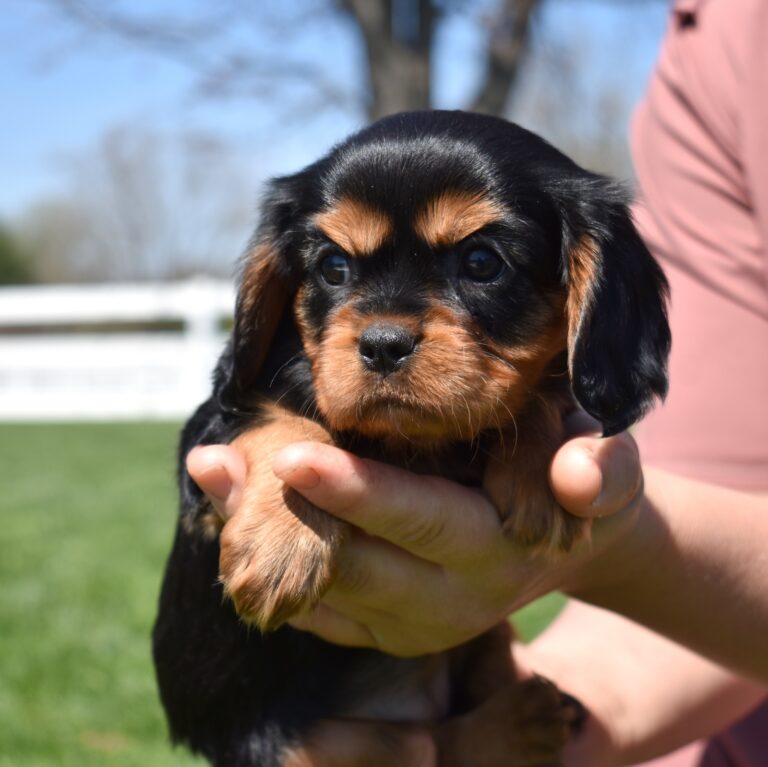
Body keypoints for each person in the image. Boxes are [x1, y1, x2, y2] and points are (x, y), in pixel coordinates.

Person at [188, 0, 768, 762]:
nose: (385, 329)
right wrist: (279, 465)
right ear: (280, 283)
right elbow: (224, 422)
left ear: (585, 280)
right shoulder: (715, 37)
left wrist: (551, 454)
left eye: (480, 263)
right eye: (335, 266)